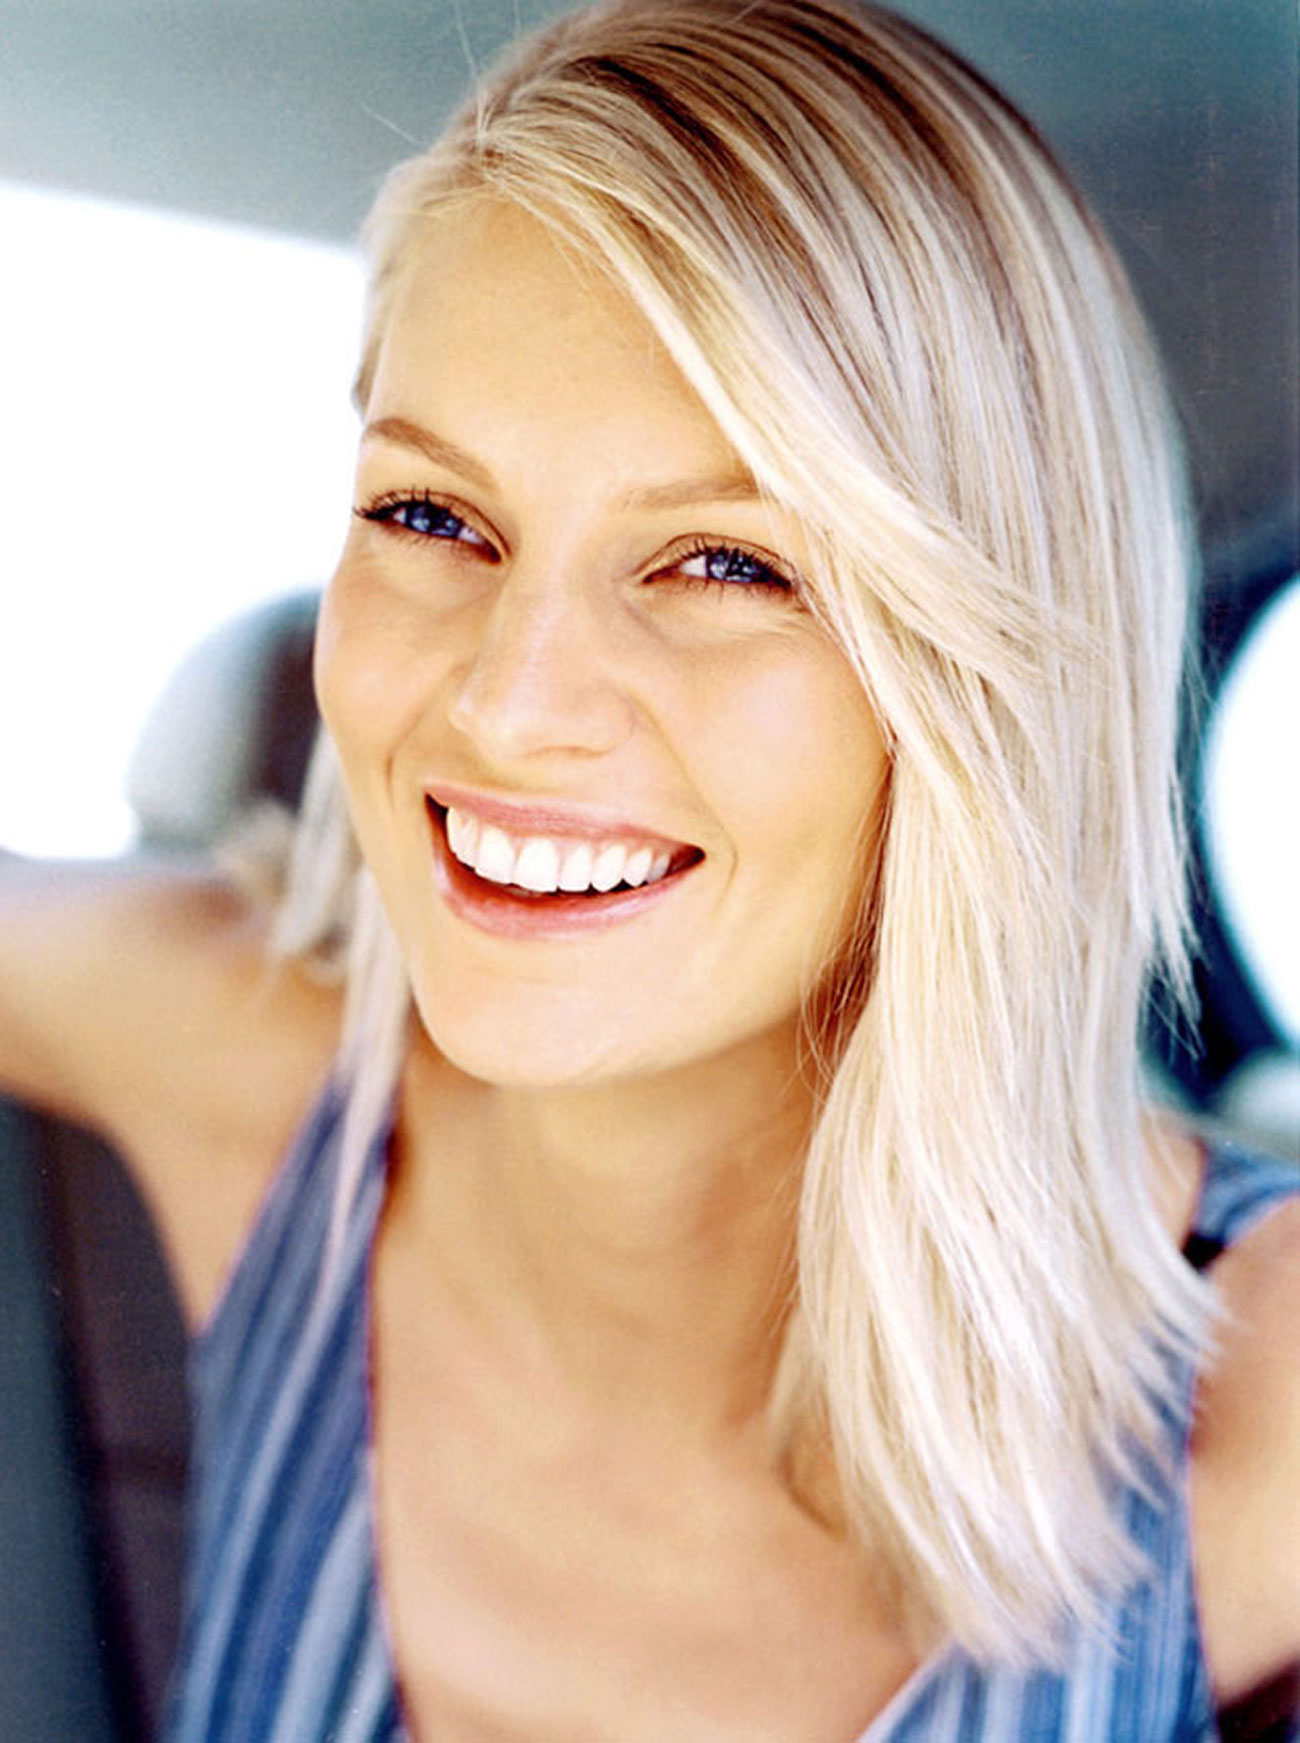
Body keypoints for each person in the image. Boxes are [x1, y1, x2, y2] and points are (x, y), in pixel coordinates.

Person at [2, 1, 1298, 1736]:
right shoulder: (244, 1062)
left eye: (724, 564)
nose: (509, 703)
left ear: (983, 683)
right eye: (432, 517)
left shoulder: (1256, 1394)